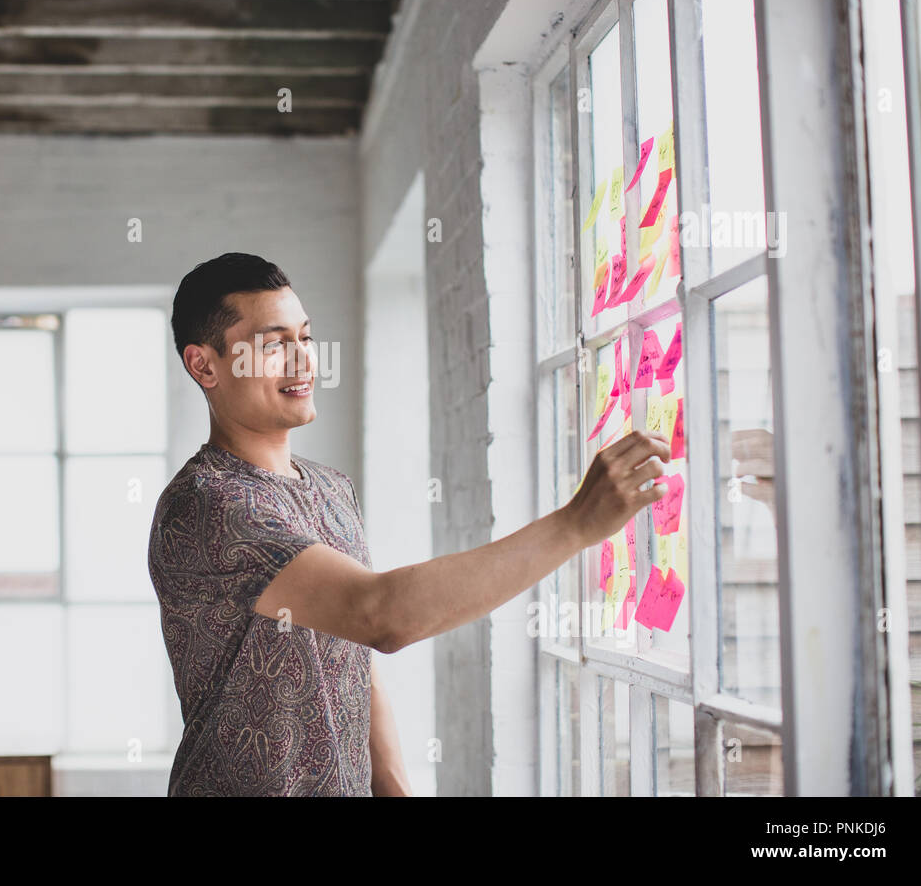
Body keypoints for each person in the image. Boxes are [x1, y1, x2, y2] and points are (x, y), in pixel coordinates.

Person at [148, 252, 670, 796]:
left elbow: (355, 653)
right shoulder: (210, 503)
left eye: (305, 338)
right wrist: (576, 525)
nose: (303, 362)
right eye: (274, 345)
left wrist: (394, 787)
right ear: (204, 365)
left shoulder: (330, 487)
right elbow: (380, 615)